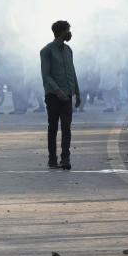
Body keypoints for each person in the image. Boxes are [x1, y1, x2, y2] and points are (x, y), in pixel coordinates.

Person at [40, 20, 81, 170]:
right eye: (67, 30)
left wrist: (77, 92)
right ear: (61, 32)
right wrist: (58, 91)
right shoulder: (46, 51)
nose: (69, 33)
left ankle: (65, 158)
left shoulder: (68, 50)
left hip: (68, 95)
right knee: (53, 127)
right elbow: (46, 75)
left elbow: (72, 72)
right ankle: (52, 159)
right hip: (53, 95)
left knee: (66, 128)